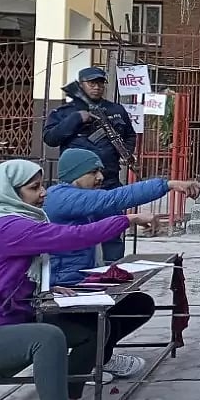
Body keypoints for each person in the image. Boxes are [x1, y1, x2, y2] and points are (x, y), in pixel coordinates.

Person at [0, 160, 155, 400]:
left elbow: (4, 283)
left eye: (41, 185)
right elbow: (73, 237)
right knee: (47, 336)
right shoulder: (6, 227)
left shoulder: (8, 223)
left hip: (5, 321)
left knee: (91, 328)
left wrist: (45, 291)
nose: (43, 193)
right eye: (34, 188)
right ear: (10, 192)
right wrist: (127, 219)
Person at [43, 148, 200, 379]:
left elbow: (106, 213)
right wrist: (168, 185)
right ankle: (84, 369)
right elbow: (114, 198)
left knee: (138, 304)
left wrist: (129, 220)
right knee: (100, 324)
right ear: (74, 174)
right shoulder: (60, 196)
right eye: (93, 171)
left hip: (81, 280)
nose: (100, 177)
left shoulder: (76, 198)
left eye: (101, 170)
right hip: (62, 286)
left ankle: (99, 357)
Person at [42, 67, 137, 263]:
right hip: (76, 187)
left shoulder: (115, 110)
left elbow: (129, 135)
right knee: (75, 231)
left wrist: (125, 152)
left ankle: (112, 270)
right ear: (81, 85)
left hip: (108, 182)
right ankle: (75, 271)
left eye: (100, 83)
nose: (96, 87)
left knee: (113, 230)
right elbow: (50, 138)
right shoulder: (64, 112)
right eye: (91, 83)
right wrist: (77, 119)